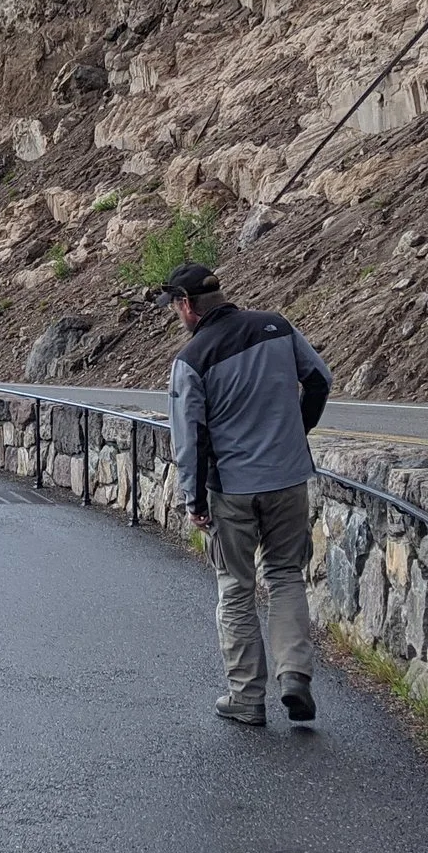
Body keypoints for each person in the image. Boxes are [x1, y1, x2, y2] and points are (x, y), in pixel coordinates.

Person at [161, 262, 332, 728]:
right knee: (285, 575)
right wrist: (296, 433)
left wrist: (194, 501)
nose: (175, 314)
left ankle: (246, 698)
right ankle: (294, 675)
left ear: (187, 305)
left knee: (236, 588)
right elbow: (320, 379)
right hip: (288, 479)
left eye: (174, 306)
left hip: (232, 489)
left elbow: (189, 437)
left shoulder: (191, 359)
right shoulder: (276, 326)